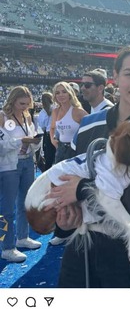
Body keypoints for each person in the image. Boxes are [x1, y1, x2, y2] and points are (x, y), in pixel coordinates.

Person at [44, 44, 130, 288]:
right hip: (81, 248)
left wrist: (83, 189)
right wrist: (64, 221)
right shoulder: (87, 124)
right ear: (115, 77)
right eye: (129, 74)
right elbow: (67, 185)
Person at [0, 86, 42, 262]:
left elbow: (32, 138)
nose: (24, 107)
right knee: (6, 209)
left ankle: (22, 238)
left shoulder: (27, 116)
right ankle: (7, 247)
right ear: (13, 100)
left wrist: (33, 142)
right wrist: (21, 141)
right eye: (21, 103)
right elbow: (2, 146)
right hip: (9, 166)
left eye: (27, 103)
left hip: (27, 162)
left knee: (25, 203)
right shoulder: (3, 116)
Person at [50, 81, 88, 164]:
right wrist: (52, 140)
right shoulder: (55, 111)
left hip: (76, 151)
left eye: (64, 92)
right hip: (60, 150)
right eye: (57, 93)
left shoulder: (78, 111)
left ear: (70, 94)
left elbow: (91, 128)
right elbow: (52, 127)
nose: (61, 95)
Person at [37, 92, 56, 171]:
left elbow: (42, 126)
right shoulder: (57, 108)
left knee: (48, 158)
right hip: (58, 134)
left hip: (48, 135)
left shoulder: (42, 112)